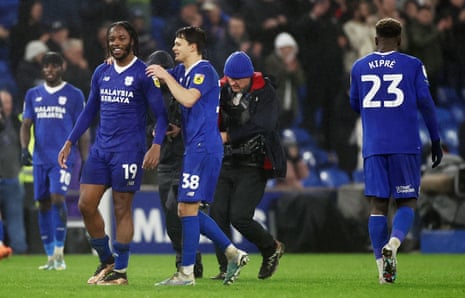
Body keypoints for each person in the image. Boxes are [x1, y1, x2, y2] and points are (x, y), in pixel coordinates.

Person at [57, 21, 168, 285]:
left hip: (129, 151)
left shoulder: (143, 73)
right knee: (85, 204)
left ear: (132, 41)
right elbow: (89, 110)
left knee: (121, 208)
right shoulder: (101, 71)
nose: (116, 43)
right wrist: (70, 141)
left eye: (121, 38)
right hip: (100, 150)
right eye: (112, 39)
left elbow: (162, 116)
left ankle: (121, 270)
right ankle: (107, 259)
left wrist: (156, 145)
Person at [145, 25, 249, 286]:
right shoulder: (183, 71)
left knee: (187, 208)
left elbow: (189, 99)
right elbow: (154, 78)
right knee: (186, 208)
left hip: (204, 148)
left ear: (193, 47)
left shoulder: (204, 70)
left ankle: (187, 273)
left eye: (178, 42)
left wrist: (166, 78)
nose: (174, 47)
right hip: (196, 148)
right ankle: (232, 253)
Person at [349, 17, 443, 284]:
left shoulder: (359, 67)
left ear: (376, 39)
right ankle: (395, 242)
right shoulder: (413, 65)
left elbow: (355, 103)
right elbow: (426, 102)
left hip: (374, 146)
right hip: (405, 144)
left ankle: (383, 271)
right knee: (407, 201)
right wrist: (435, 140)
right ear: (400, 40)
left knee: (378, 205)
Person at [209, 51, 286, 281]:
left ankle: (271, 247)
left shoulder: (266, 92)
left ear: (250, 76)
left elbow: (264, 125)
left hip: (254, 162)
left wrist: (228, 136)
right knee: (217, 214)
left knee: (240, 216)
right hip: (225, 160)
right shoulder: (220, 88)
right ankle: (226, 266)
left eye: (238, 78)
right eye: (230, 77)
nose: (233, 82)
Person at [20, 52, 90, 270]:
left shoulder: (74, 94)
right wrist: (24, 148)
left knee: (58, 197)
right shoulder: (33, 94)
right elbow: (26, 124)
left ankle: (60, 253)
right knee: (43, 203)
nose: (50, 70)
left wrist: (85, 160)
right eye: (46, 67)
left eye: (54, 66)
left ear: (63, 67)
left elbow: (83, 130)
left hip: (63, 159)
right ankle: (50, 255)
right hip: (40, 159)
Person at [146, 50, 203, 278]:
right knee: (170, 217)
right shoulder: (149, 95)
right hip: (164, 162)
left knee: (175, 208)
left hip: (185, 158)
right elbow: (142, 123)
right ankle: (185, 259)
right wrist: (152, 132)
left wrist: (180, 129)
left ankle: (188, 261)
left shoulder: (184, 91)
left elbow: (200, 119)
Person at [0, 89, 27, 256]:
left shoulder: (18, 124)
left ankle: (20, 250)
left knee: (16, 219)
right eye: (2, 103)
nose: (5, 106)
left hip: (12, 179)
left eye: (7, 102)